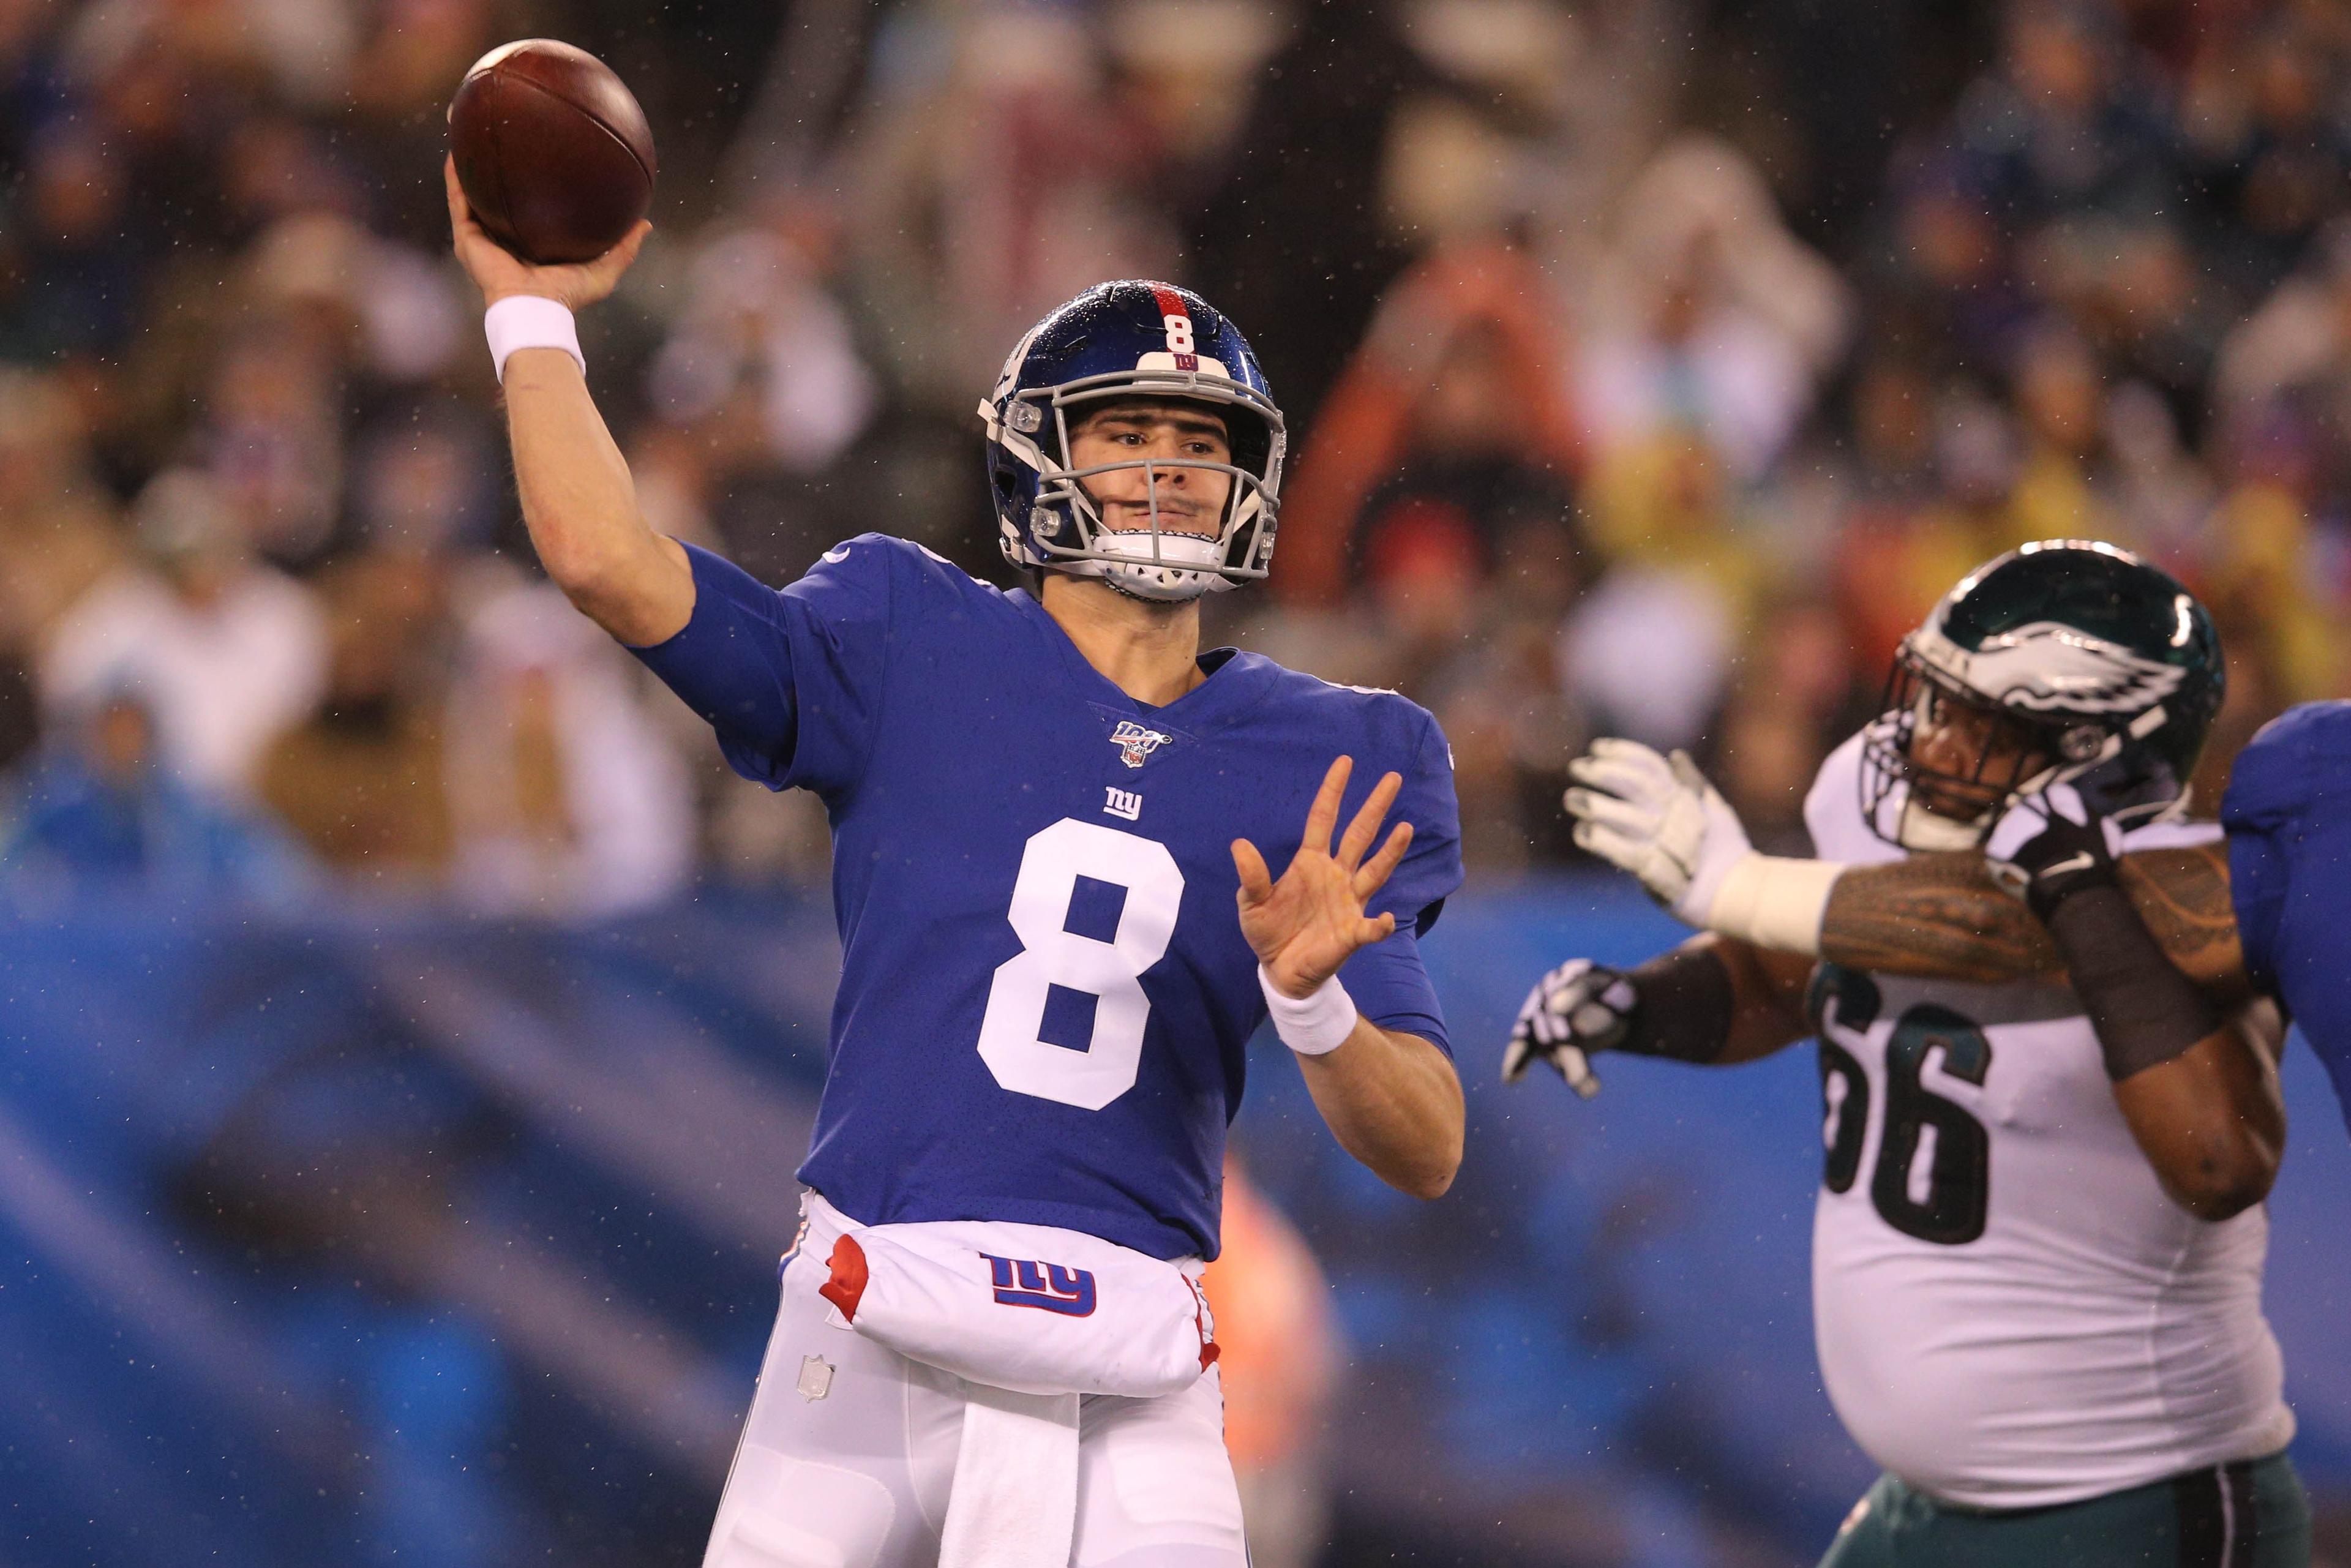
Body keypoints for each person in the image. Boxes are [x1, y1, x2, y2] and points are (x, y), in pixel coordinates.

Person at [443, 162, 1465, 1568]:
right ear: (1039, 456)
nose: (1173, 466)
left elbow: (1425, 1146)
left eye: (1202, 437)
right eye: (1130, 431)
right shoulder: (901, 632)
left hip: (1137, 1366)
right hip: (872, 1320)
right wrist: (530, 322)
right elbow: (605, 558)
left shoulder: (1334, 756)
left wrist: (1318, 1005)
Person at [1509, 541, 2310, 1565]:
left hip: (2136, 1503)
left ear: (2107, 751)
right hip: (1923, 1513)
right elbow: (1794, 974)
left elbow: (2219, 1161)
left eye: (1987, 725)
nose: (1933, 744)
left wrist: (2076, 892)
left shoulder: (2190, 890)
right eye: (1938, 699)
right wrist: (1636, 1002)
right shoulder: (1863, 790)